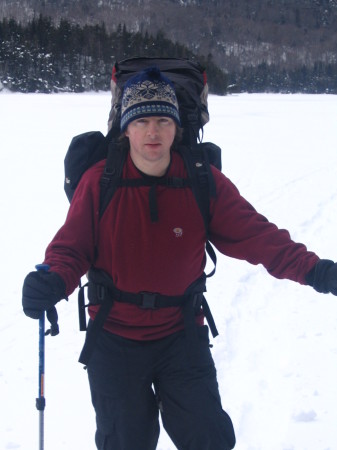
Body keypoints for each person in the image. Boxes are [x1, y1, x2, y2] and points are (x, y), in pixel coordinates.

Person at [22, 67, 337, 450]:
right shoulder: (100, 180)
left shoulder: (202, 180)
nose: (152, 132)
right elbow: (72, 247)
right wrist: (52, 279)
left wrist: (316, 271)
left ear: (175, 128)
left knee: (208, 438)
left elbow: (260, 237)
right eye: (141, 121)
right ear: (126, 129)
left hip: (181, 334)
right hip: (114, 338)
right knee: (124, 442)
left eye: (161, 120)